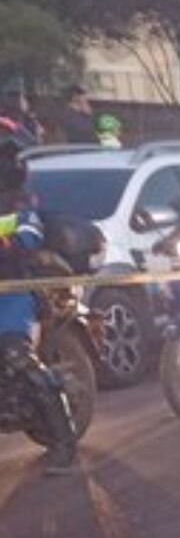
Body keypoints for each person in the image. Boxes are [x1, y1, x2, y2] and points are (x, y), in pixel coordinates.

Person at [0, 140, 78, 474]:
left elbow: (29, 237)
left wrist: (9, 236)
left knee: (17, 356)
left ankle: (64, 443)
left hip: (14, 292)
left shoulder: (20, 205)